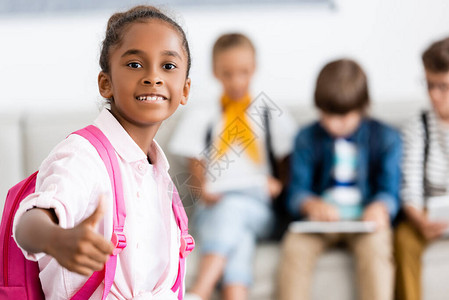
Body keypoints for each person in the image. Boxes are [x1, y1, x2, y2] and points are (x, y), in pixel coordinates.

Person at [13, 5, 192, 299]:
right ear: (105, 83)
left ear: (184, 90)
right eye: (134, 64)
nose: (153, 77)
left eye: (168, 66)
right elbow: (28, 224)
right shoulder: (83, 156)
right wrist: (56, 239)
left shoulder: (159, 175)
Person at [170, 33, 297, 300]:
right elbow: (195, 160)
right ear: (216, 72)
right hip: (214, 206)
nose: (237, 81)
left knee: (235, 211)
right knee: (239, 236)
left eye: (244, 72)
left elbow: (289, 156)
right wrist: (202, 188)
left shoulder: (268, 111)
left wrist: (280, 184)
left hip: (259, 206)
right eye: (228, 73)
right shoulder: (203, 114)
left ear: (254, 68)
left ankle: (199, 291)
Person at [278, 59, 401, 300]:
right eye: (327, 115)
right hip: (319, 224)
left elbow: (391, 191)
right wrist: (310, 204)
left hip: (365, 223)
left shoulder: (386, 138)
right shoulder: (305, 137)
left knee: (377, 248)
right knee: (295, 247)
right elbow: (296, 192)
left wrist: (380, 207)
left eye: (343, 117)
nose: (335, 124)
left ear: (363, 108)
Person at [394, 37, 449, 300]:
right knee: (404, 240)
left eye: (443, 86)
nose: (434, 94)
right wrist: (420, 219)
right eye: (429, 85)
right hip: (427, 211)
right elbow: (410, 186)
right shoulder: (417, 126)